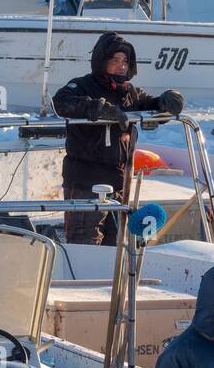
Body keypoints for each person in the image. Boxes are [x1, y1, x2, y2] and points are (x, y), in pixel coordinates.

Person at [52, 32, 184, 245]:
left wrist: (166, 102)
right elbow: (61, 103)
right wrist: (98, 108)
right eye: (114, 60)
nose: (121, 66)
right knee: (84, 243)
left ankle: (110, 278)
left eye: (125, 61)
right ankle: (81, 277)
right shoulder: (83, 86)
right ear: (101, 61)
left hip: (119, 183)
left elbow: (150, 105)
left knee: (116, 246)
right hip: (86, 183)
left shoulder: (130, 92)